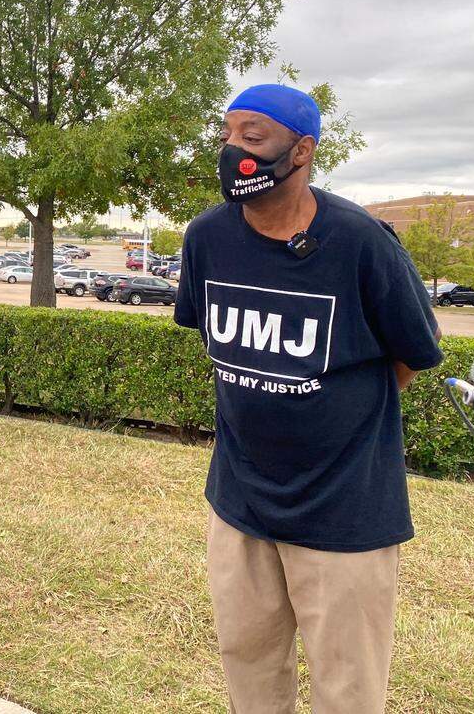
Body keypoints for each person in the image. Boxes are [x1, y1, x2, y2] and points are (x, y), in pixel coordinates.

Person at [173, 83, 444, 714]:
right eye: (227, 134)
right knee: (249, 666)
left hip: (344, 510)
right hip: (240, 500)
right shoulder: (207, 237)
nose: (233, 149)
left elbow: (412, 352)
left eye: (253, 137)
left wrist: (341, 417)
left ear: (301, 152)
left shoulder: (360, 241)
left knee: (348, 689)